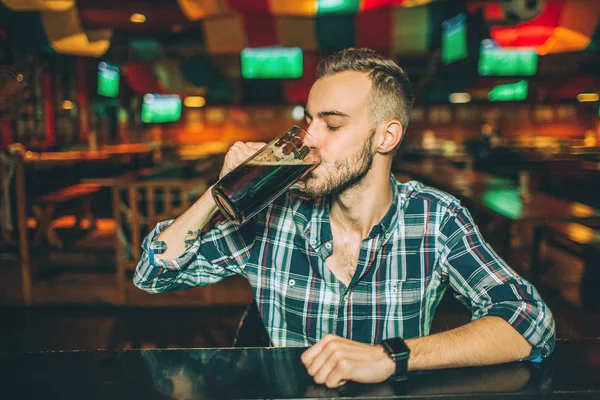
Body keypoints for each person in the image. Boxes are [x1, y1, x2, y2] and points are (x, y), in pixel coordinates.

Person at [134, 48, 555, 389]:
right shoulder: (275, 214)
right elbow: (153, 273)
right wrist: (221, 192)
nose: (309, 140)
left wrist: (391, 356)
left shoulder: (433, 217)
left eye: (331, 126)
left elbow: (529, 320)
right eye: (308, 121)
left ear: (386, 137)